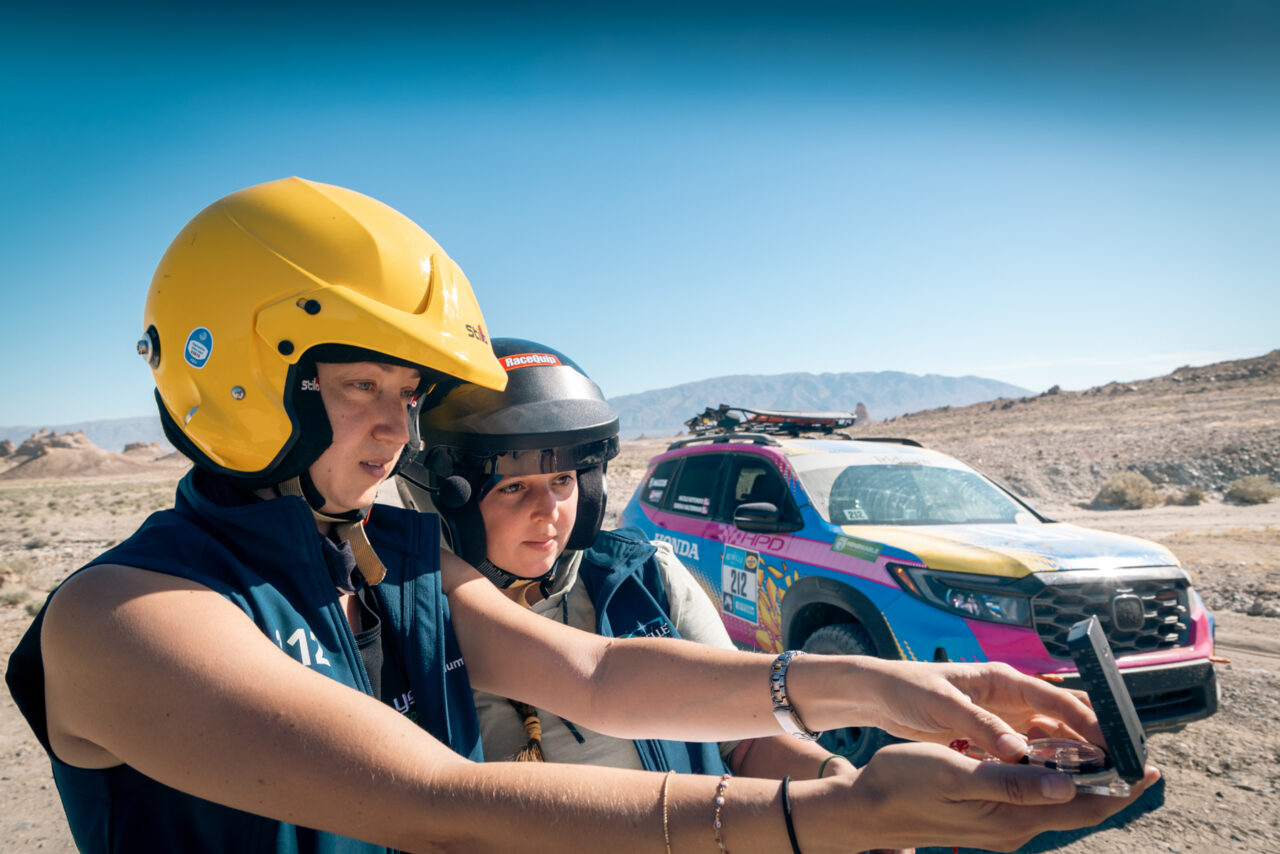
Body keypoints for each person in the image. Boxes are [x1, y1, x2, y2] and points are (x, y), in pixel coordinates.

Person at [5, 176, 1158, 854]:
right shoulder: (123, 615)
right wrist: (834, 813)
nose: (395, 430)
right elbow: (439, 800)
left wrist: (886, 687)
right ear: (246, 369)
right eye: (363, 385)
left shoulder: (393, 551)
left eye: (408, 397)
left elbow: (597, 674)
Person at [401, 337, 856, 783]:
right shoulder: (411, 624)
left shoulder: (645, 578)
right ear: (444, 499)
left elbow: (745, 739)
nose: (549, 511)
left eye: (562, 480)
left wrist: (828, 773)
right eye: (513, 487)